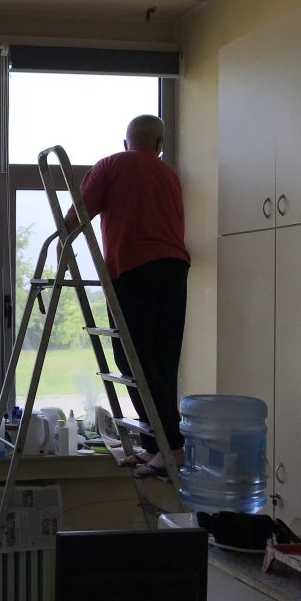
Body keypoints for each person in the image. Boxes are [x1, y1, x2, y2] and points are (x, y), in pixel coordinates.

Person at [60, 114, 190, 478]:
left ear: (125, 142)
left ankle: (171, 447)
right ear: (159, 145)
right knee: (162, 360)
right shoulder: (169, 176)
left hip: (134, 269)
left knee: (133, 359)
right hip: (175, 268)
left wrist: (61, 247)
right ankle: (157, 447)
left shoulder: (110, 165)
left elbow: (77, 216)